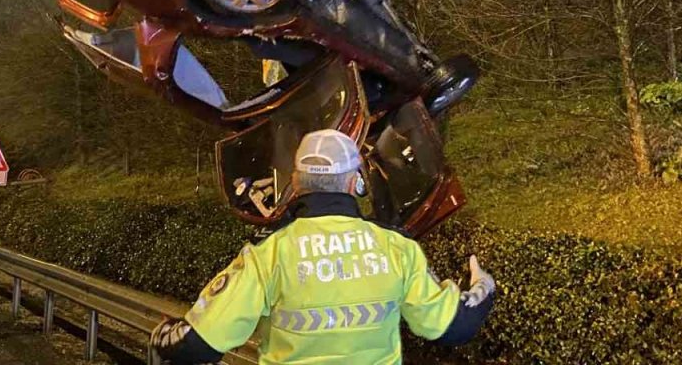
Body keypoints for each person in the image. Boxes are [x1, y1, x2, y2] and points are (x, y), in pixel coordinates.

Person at [149, 129, 495, 365]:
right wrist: (483, 286)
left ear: (296, 183)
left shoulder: (268, 255)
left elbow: (196, 344)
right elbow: (454, 325)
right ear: (355, 182)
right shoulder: (396, 249)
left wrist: (163, 333)